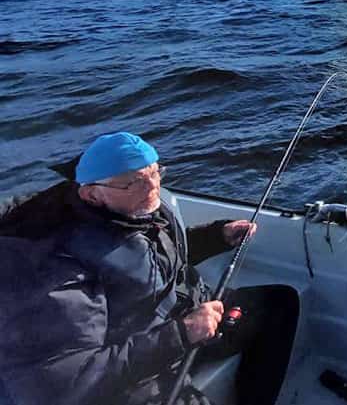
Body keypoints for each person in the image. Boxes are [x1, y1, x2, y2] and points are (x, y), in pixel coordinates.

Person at [0, 132, 298, 405]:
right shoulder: (57, 266)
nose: (153, 187)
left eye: (155, 172)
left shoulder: (131, 210)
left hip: (184, 317)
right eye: (133, 181)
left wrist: (215, 237)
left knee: (279, 304)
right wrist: (182, 334)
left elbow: (147, 261)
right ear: (91, 194)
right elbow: (66, 382)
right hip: (133, 370)